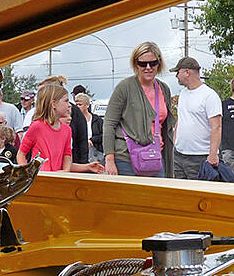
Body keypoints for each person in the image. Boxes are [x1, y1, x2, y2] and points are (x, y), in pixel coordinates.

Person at [103, 42, 175, 177]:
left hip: (155, 157)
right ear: (136, 64)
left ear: (158, 63)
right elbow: (109, 124)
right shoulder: (125, 87)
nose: (148, 67)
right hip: (127, 159)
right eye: (143, 64)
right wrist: (109, 160)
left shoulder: (164, 89)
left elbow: (166, 126)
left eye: (152, 63)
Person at [17, 82, 104, 173]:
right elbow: (21, 153)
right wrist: (26, 173)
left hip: (59, 181)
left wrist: (84, 167)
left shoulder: (67, 130)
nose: (70, 105)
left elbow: (67, 157)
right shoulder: (37, 127)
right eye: (66, 101)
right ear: (53, 104)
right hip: (40, 181)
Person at [169, 56, 222, 179]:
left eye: (178, 72)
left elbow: (217, 126)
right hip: (179, 155)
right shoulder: (183, 94)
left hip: (200, 156)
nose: (176, 76)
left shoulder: (209, 95)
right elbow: (180, 120)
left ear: (187, 72)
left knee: (199, 195)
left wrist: (213, 154)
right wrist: (176, 142)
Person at [73, 91, 104, 162]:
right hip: (80, 155)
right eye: (76, 104)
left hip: (96, 154)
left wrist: (91, 140)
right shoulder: (74, 120)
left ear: (87, 105)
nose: (77, 107)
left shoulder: (97, 120)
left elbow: (103, 135)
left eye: (80, 105)